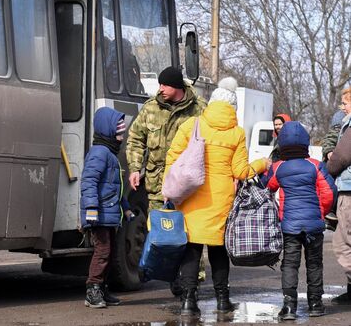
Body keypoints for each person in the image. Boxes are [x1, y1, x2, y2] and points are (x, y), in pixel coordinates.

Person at [164, 77, 268, 317]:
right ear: (233, 109)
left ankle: (188, 302)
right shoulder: (237, 133)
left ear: (211, 103)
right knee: (219, 251)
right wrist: (263, 163)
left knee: (191, 249)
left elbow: (173, 158)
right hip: (221, 200)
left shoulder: (192, 124)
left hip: (191, 195)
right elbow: (240, 171)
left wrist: (170, 187)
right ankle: (223, 300)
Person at [265, 121, 336, 320]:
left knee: (290, 264)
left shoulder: (279, 168)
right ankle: (315, 304)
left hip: (290, 226)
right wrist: (320, 212)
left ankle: (289, 307)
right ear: (306, 143)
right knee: (314, 264)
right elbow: (329, 192)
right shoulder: (315, 166)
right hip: (314, 225)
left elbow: (268, 187)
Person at [126, 66, 206, 210]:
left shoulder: (199, 109)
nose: (160, 89)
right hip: (157, 188)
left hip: (186, 189)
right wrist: (135, 168)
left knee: (183, 231)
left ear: (176, 86)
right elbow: (135, 139)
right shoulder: (151, 108)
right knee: (157, 229)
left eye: (165, 85)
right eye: (159, 84)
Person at [81, 107, 134, 308]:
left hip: (108, 214)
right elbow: (89, 182)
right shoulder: (99, 153)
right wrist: (91, 208)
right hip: (99, 214)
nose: (121, 137)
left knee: (110, 252)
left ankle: (102, 288)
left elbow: (115, 189)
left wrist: (126, 208)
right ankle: (92, 289)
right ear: (108, 132)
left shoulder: (110, 154)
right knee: (102, 251)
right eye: (119, 133)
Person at [327, 96, 351, 305]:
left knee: (343, 243)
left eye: (345, 103)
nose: (342, 107)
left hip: (349, 191)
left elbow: (340, 159)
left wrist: (328, 170)